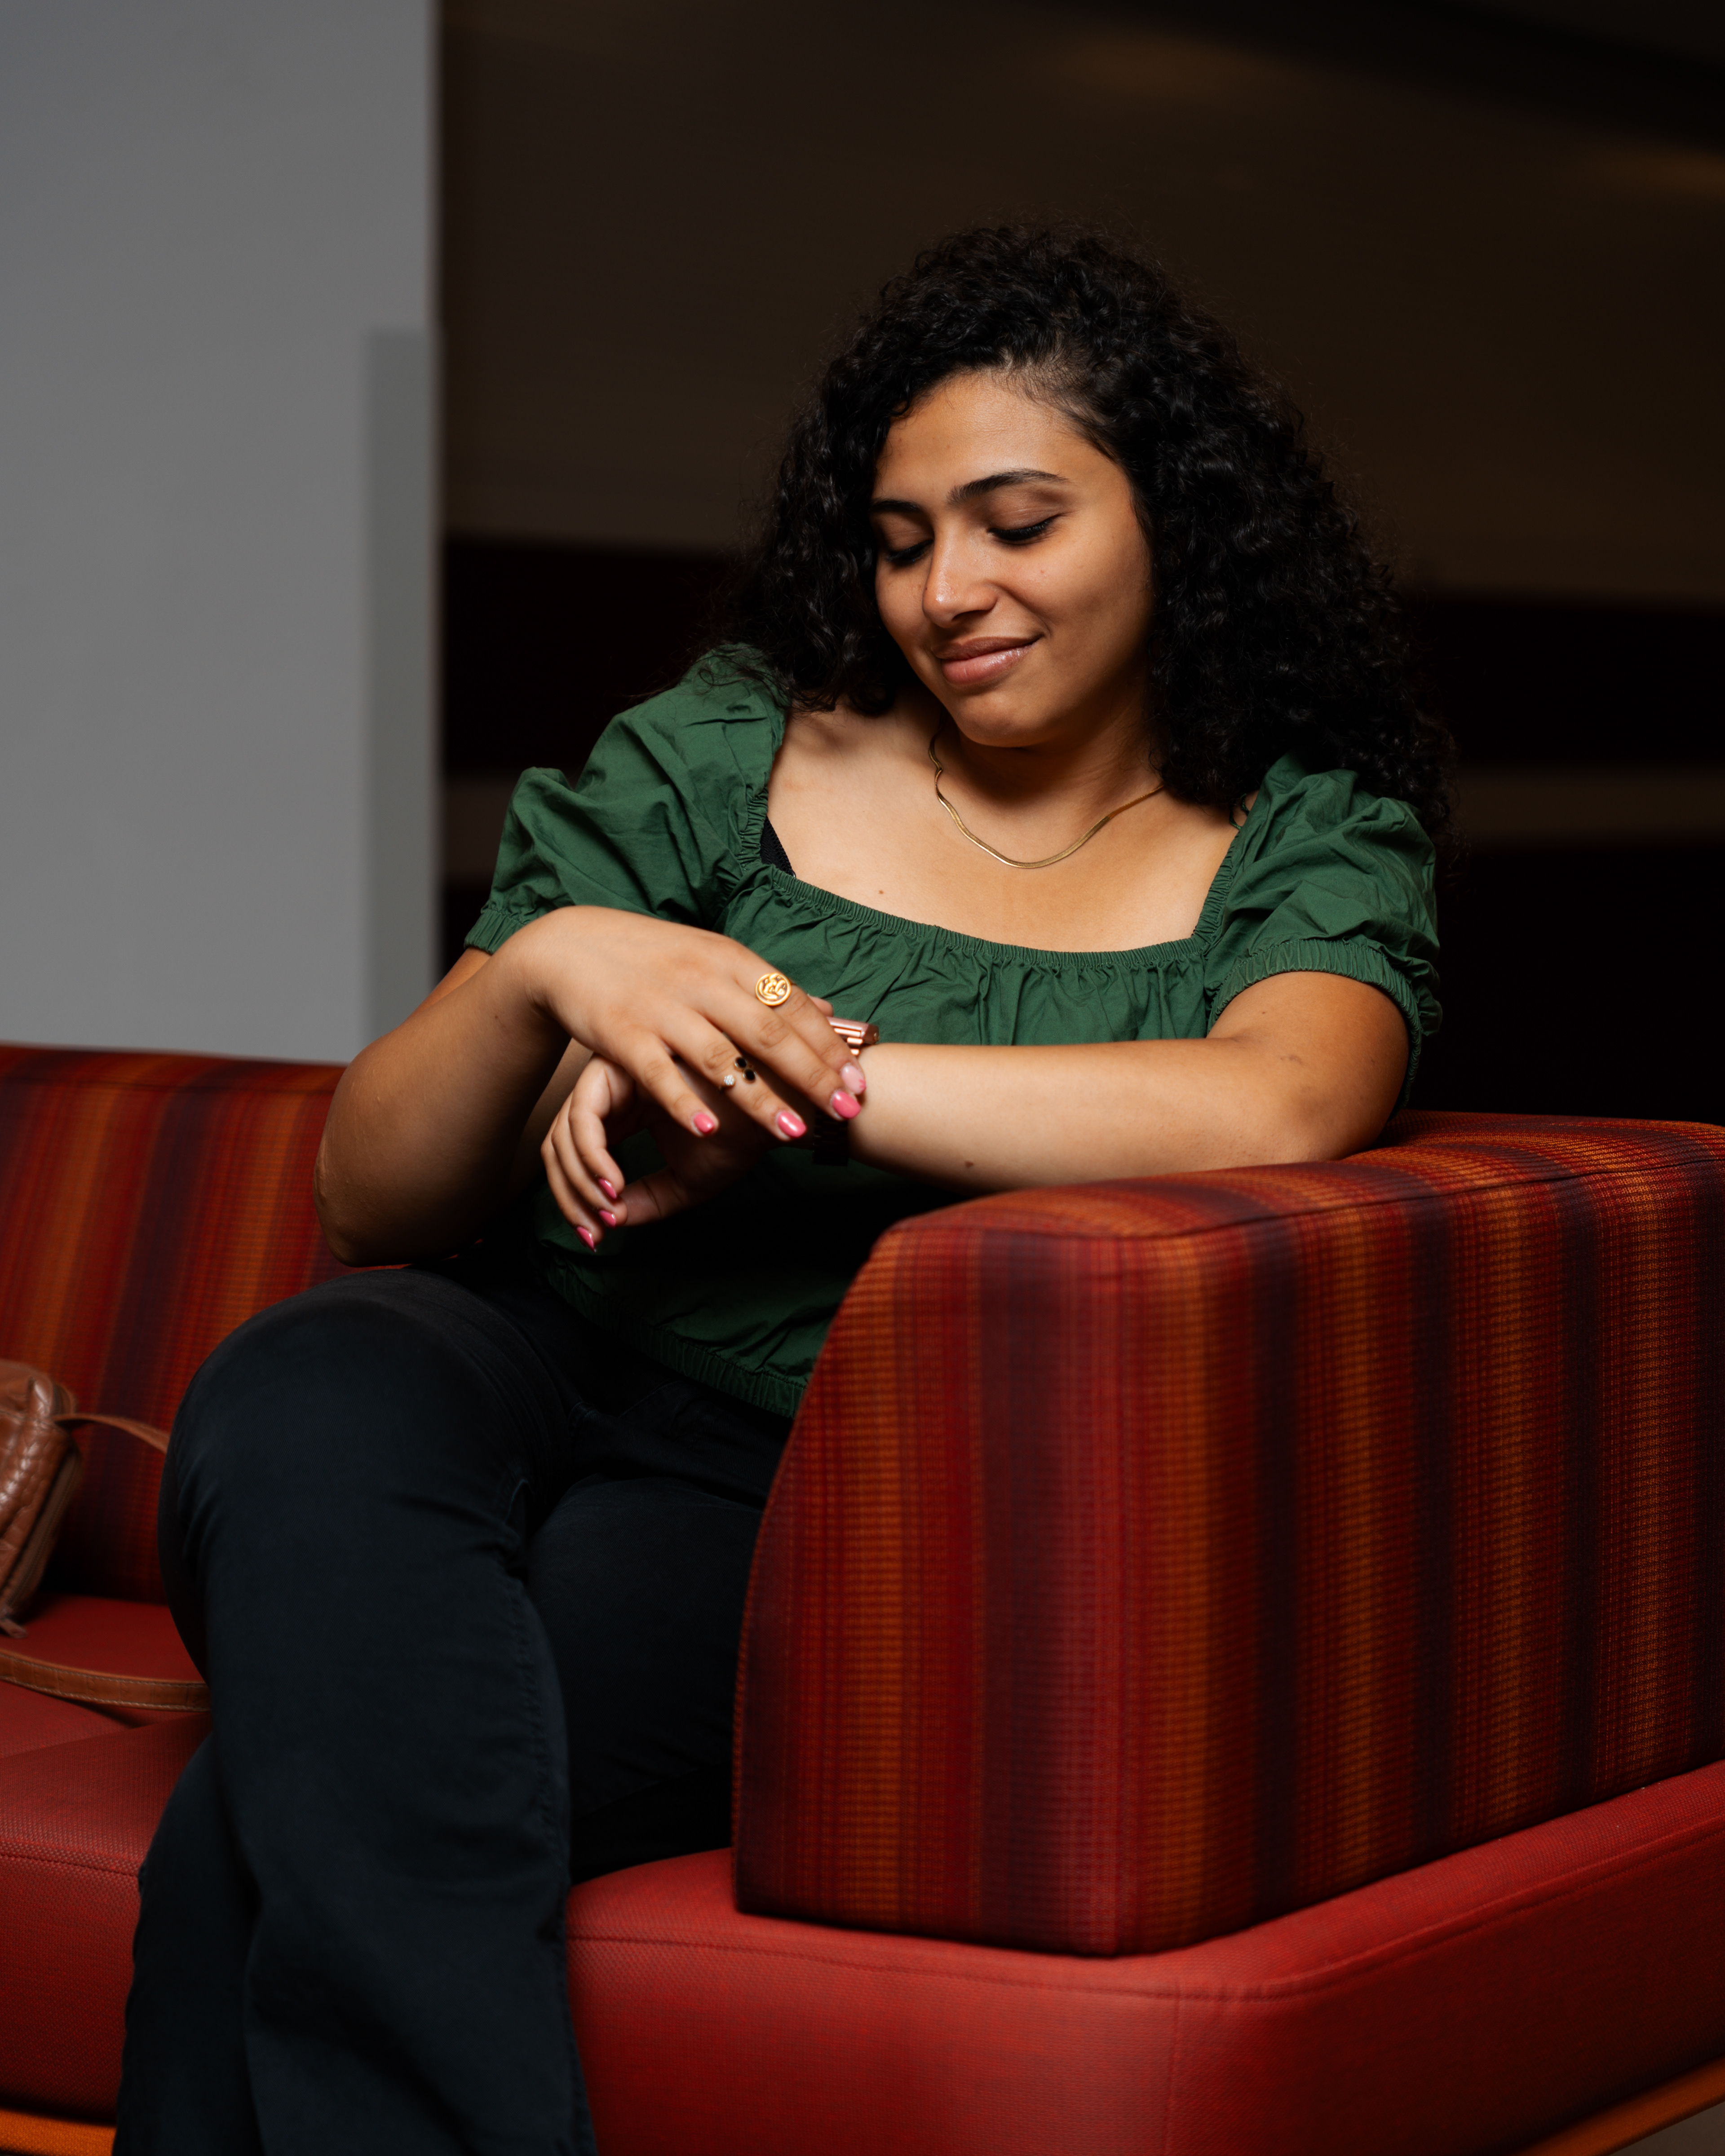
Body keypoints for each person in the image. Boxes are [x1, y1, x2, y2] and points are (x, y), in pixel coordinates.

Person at [115, 226, 1446, 2154]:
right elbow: (367, 1194)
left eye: (1016, 523)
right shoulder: (741, 738)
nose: (947, 593)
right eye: (902, 541)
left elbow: (1289, 1096)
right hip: (515, 1339)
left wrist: (795, 1081)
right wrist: (557, 962)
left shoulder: (1305, 825)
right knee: (309, 1380)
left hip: (793, 1468)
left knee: (263, 1829)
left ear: (1177, 521)